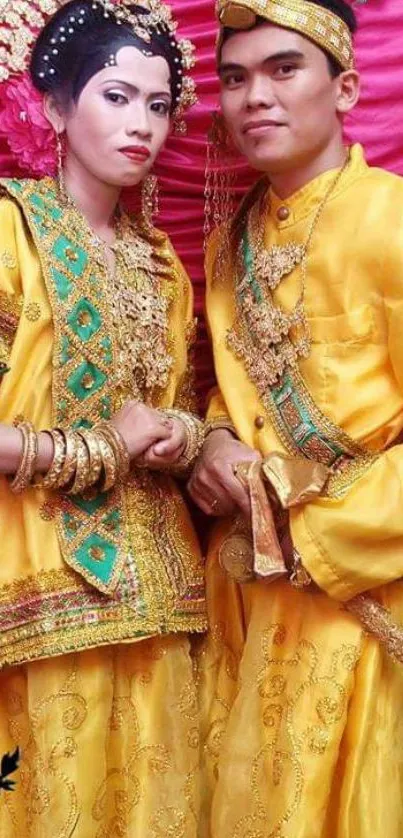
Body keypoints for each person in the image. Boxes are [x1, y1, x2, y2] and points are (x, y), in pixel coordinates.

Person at [189, 1, 403, 836]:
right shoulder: (225, 243)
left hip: (361, 593)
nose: (255, 98)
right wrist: (208, 439)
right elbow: (229, 389)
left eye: (284, 69)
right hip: (246, 597)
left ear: (345, 86)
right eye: (235, 79)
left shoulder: (388, 220)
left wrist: (317, 533)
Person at [0, 1, 206, 834]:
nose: (143, 125)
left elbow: (186, 412)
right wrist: (96, 450)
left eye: (158, 105)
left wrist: (183, 437)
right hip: (40, 596)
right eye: (117, 97)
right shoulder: (9, 230)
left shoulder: (159, 264)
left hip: (163, 603)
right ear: (53, 107)